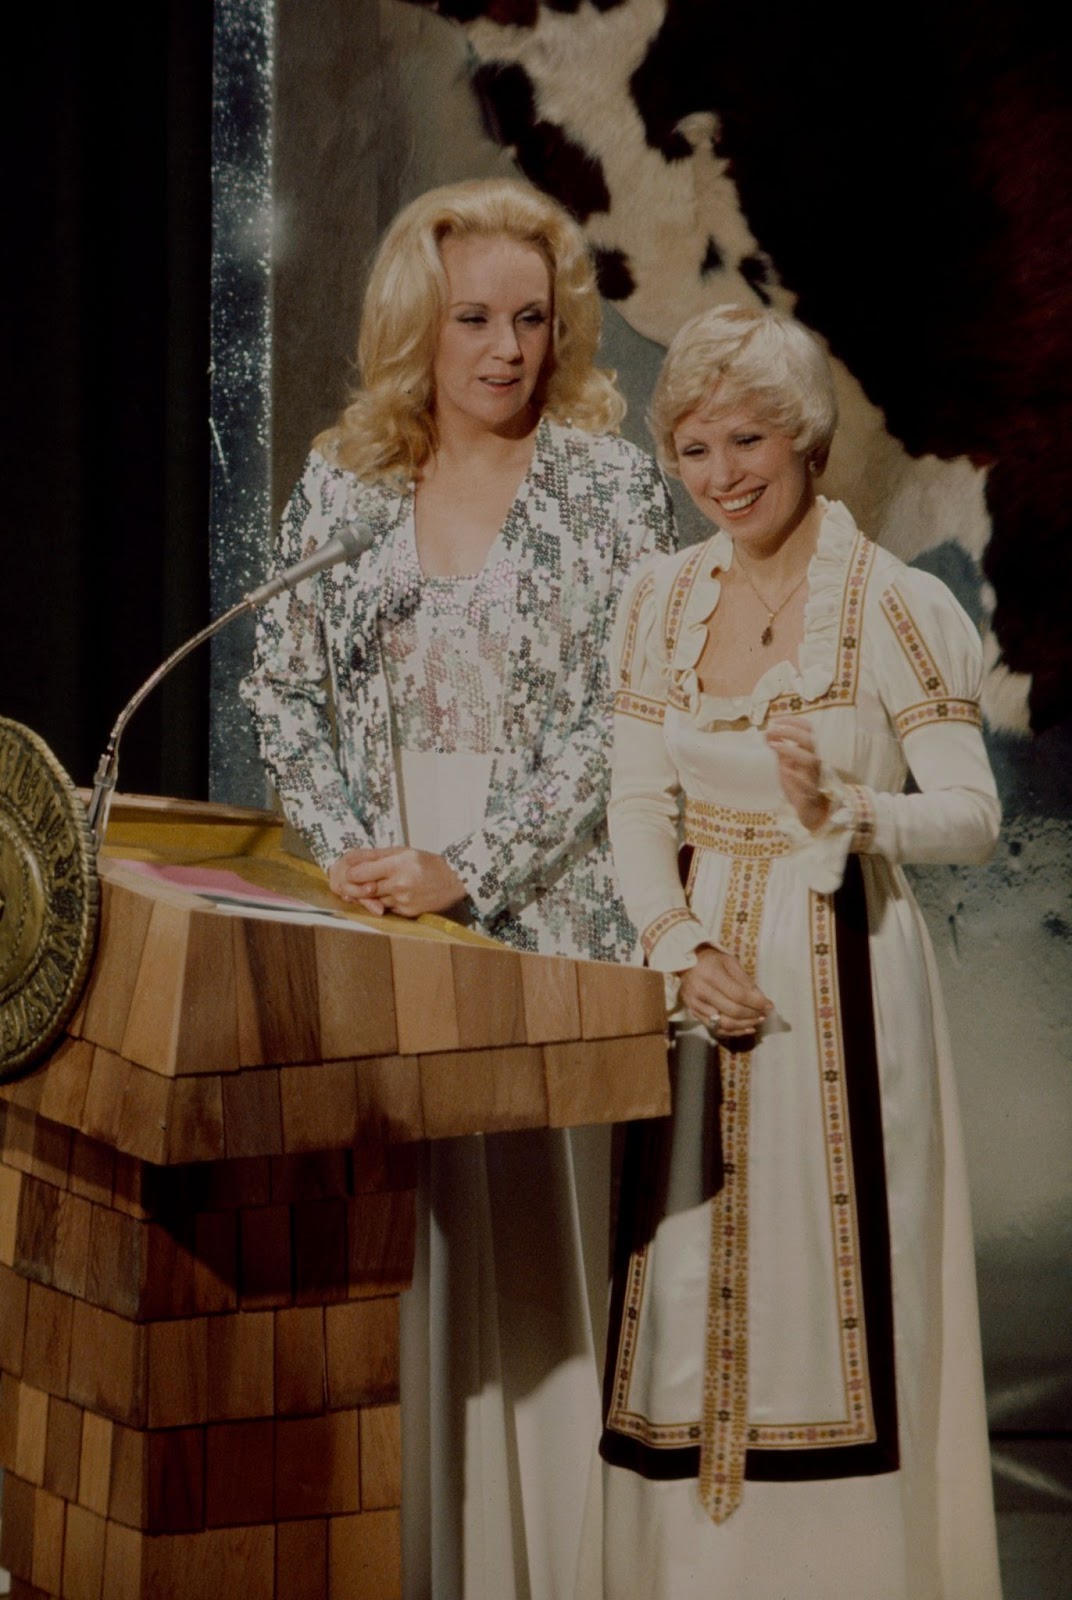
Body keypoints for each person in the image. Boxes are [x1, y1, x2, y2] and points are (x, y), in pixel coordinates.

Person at [240, 176, 675, 1599]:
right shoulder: (344, 479)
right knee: (399, 1227)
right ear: (416, 326)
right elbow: (283, 687)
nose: (505, 350)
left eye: (532, 320)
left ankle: (548, 1566)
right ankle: (405, 1553)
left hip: (539, 893)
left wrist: (466, 868)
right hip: (375, 879)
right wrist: (362, 855)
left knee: (532, 1228)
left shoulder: (609, 482)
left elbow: (630, 711)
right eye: (476, 318)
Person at [598, 303, 1002, 1599]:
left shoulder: (895, 606)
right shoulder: (659, 601)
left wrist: (853, 808)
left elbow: (976, 817)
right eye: (697, 448)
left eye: (749, 438)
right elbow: (633, 809)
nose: (724, 474)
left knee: (838, 1307)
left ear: (808, 439)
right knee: (674, 1301)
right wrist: (674, 943)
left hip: (845, 983)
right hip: (697, 976)